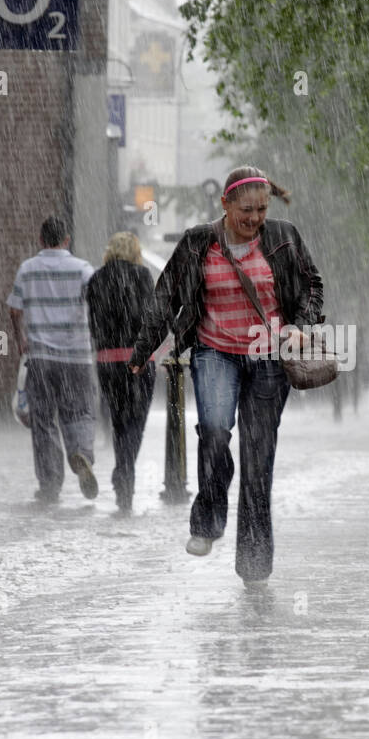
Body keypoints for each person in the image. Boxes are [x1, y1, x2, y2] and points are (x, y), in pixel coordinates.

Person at [129, 166, 324, 586]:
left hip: (268, 357)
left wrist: (301, 325)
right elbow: (166, 296)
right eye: (246, 210)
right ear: (225, 204)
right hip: (215, 351)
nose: (254, 218)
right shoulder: (200, 241)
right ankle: (209, 518)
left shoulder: (283, 236)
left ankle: (254, 561)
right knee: (215, 431)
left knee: (258, 458)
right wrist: (143, 350)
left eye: (261, 209)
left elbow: (311, 284)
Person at [7, 217, 100, 503]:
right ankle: (81, 452)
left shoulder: (27, 269)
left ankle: (50, 483)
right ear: (67, 240)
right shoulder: (83, 269)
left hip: (41, 357)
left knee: (44, 420)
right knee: (80, 411)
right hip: (77, 357)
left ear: (40, 239)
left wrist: (20, 338)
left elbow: (14, 309)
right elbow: (96, 304)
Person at [87, 232, 156, 515]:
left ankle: (123, 479)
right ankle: (124, 473)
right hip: (139, 360)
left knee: (118, 423)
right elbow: (151, 318)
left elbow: (93, 324)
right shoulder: (143, 276)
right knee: (135, 424)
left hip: (108, 363)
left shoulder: (95, 279)